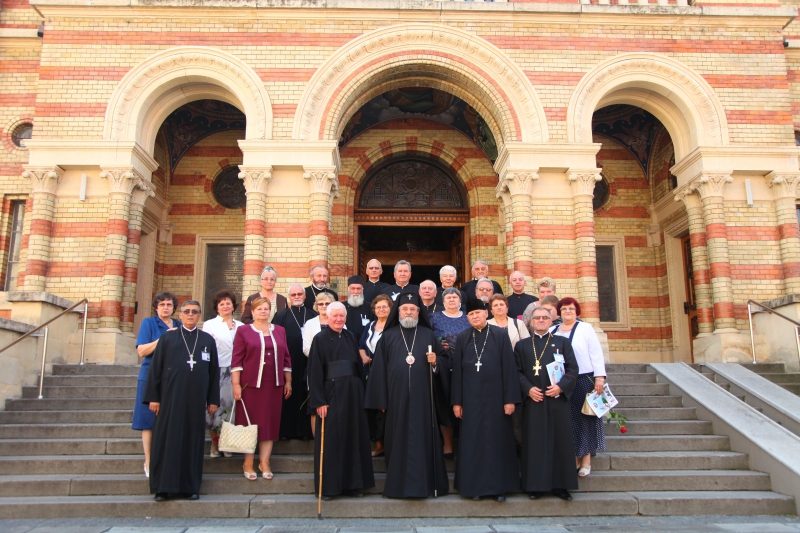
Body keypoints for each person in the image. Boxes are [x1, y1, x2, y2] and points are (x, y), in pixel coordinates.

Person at [364, 290, 450, 498]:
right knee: (398, 439)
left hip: (423, 400)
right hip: (396, 400)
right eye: (405, 309)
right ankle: (398, 485)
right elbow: (379, 371)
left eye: (413, 309)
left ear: (419, 312)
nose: (409, 312)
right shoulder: (389, 336)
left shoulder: (428, 334)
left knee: (423, 440)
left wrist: (436, 362)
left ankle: (426, 484)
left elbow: (444, 360)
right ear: (398, 312)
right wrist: (381, 399)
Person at [144, 300, 219, 501]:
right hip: (170, 399)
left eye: (195, 312)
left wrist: (213, 399)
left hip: (196, 400)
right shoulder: (168, 339)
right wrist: (154, 397)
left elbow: (213, 373)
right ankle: (162, 487)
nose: (191, 315)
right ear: (181, 315)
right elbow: (155, 369)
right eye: (187, 312)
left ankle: (191, 487)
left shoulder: (207, 340)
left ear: (200, 315)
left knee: (192, 443)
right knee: (166, 441)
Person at [451, 299, 521, 502]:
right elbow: (457, 373)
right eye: (470, 314)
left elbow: (509, 368)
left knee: (497, 442)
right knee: (473, 443)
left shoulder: (500, 335)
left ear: (485, 313)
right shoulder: (463, 337)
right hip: (471, 400)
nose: (474, 316)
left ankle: (499, 488)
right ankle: (474, 487)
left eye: (478, 313)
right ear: (467, 317)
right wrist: (457, 402)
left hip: (497, 399)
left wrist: (510, 400)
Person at [308, 302, 375, 500]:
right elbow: (314, 371)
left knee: (353, 439)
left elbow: (356, 366)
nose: (339, 319)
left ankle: (353, 485)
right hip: (331, 396)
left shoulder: (350, 336)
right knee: (332, 441)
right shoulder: (319, 339)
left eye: (342, 316)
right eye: (335, 316)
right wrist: (319, 401)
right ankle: (329, 488)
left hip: (353, 395)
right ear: (327, 317)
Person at [515, 306, 578, 501]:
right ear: (531, 322)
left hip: (557, 400)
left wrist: (561, 387)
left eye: (544, 318)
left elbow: (573, 369)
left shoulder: (562, 342)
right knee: (535, 442)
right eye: (537, 318)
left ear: (551, 321)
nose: (541, 320)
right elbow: (516, 372)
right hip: (534, 401)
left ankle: (561, 486)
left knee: (559, 441)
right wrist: (528, 389)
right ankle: (535, 486)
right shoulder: (522, 345)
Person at [231, 297, 292, 480]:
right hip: (250, 386)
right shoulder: (243, 331)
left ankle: (264, 461)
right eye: (259, 309)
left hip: (273, 385)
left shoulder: (280, 331)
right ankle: (248, 463)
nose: (263, 312)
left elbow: (286, 358)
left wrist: (288, 381)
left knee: (269, 424)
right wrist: (236, 384)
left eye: (266, 309)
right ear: (252, 311)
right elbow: (237, 360)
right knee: (249, 424)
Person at [552, 297, 606, 478]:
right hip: (561, 382)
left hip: (584, 378)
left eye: (571, 309)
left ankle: (586, 459)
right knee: (569, 420)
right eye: (564, 309)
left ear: (577, 312)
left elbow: (596, 352)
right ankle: (574, 456)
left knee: (585, 419)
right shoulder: (553, 330)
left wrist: (599, 378)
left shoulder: (585, 328)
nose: (568, 312)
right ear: (559, 311)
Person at [133, 292, 180, 479]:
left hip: (173, 378)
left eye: (169, 304)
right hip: (151, 376)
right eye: (162, 304)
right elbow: (142, 350)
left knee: (169, 419)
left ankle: (166, 459)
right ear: (156, 307)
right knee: (148, 421)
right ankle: (149, 460)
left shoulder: (178, 324)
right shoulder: (149, 323)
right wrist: (163, 339)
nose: (166, 307)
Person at [429, 286, 469, 458]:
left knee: (465, 405)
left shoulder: (468, 318)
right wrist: (439, 344)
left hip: (466, 368)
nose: (452, 300)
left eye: (455, 297)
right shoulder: (434, 317)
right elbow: (428, 338)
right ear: (443, 301)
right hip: (443, 367)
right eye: (448, 297)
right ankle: (447, 445)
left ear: (460, 301)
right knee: (445, 405)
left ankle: (466, 443)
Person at [202, 290, 243, 458]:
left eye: (228, 303)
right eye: (221, 304)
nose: (225, 306)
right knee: (215, 407)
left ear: (233, 306)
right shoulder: (210, 324)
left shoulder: (241, 326)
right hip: (217, 369)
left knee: (230, 409)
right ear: (217, 307)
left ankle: (226, 443)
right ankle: (214, 442)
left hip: (236, 371)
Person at [273, 283, 316, 440]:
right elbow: (276, 341)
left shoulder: (313, 315)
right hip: (288, 363)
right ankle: (286, 431)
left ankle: (304, 432)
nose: (297, 297)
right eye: (293, 295)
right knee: (288, 396)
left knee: (306, 394)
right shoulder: (281, 317)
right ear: (289, 297)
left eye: (300, 294)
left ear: (305, 296)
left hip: (308, 363)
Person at [358, 294, 393, 456]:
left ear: (391, 309)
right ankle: (379, 445)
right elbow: (361, 345)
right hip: (369, 372)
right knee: (371, 408)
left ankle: (389, 444)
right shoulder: (370, 326)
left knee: (385, 409)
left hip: (387, 373)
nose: (381, 309)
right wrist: (364, 357)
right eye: (378, 307)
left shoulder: (394, 327)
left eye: (385, 306)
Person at [302, 292, 338, 436]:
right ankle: (318, 442)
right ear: (316, 307)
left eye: (327, 304)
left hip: (335, 372)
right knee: (315, 407)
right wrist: (322, 358)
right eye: (321, 304)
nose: (324, 306)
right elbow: (306, 348)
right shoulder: (310, 324)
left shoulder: (339, 321)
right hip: (316, 370)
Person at [344, 275, 374, 340]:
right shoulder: (342, 307)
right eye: (353, 288)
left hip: (364, 344)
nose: (356, 292)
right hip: (346, 343)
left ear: (362, 290)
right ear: (348, 290)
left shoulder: (370, 307)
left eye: (358, 289)